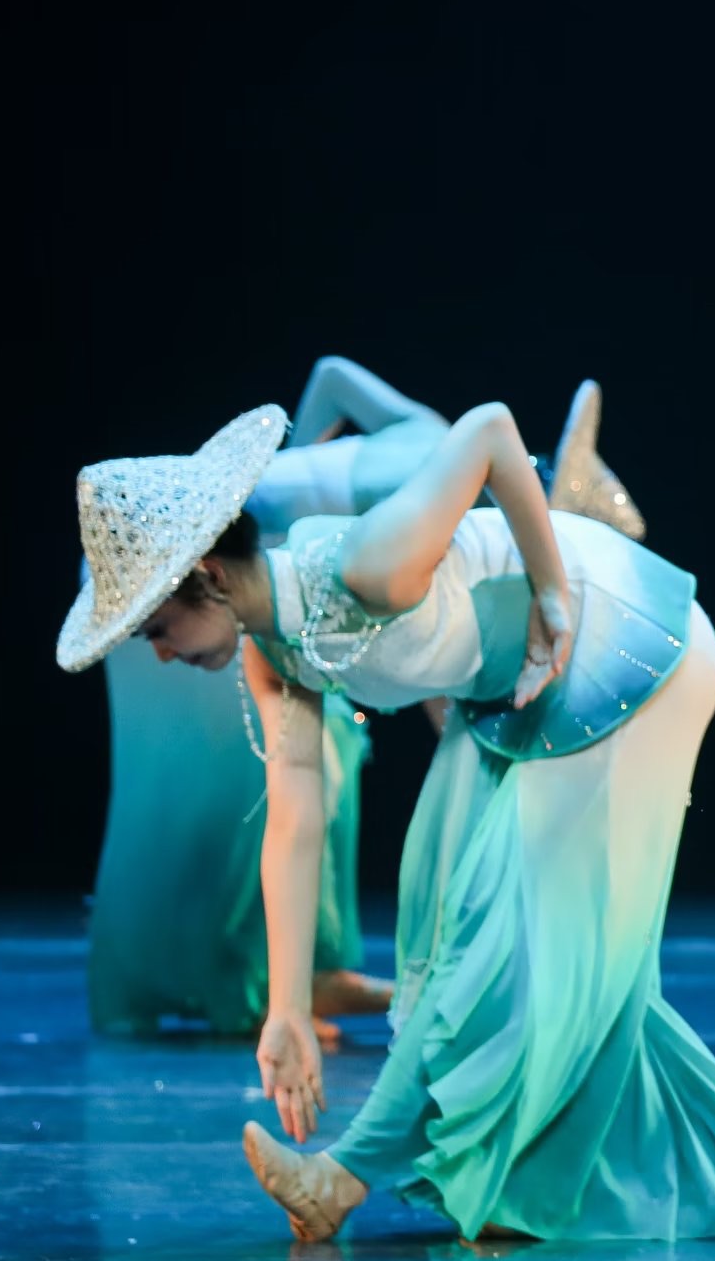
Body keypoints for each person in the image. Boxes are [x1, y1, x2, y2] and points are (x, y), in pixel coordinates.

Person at [57, 400, 715, 1242]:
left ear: (211, 577)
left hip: (621, 640)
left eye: (158, 628)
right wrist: (285, 1008)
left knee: (508, 934)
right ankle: (433, 1170)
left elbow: (492, 430)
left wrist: (550, 590)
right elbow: (294, 825)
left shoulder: (368, 567)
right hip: (512, 691)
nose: (160, 653)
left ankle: (346, 1177)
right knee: (443, 917)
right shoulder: (272, 653)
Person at [86, 363, 640, 1039]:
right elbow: (305, 808)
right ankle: (267, 988)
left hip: (248, 578)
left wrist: (289, 474)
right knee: (250, 805)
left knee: (290, 798)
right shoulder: (398, 521)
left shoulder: (399, 529)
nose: (162, 656)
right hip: (211, 578)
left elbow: (360, 389)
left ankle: (283, 985)